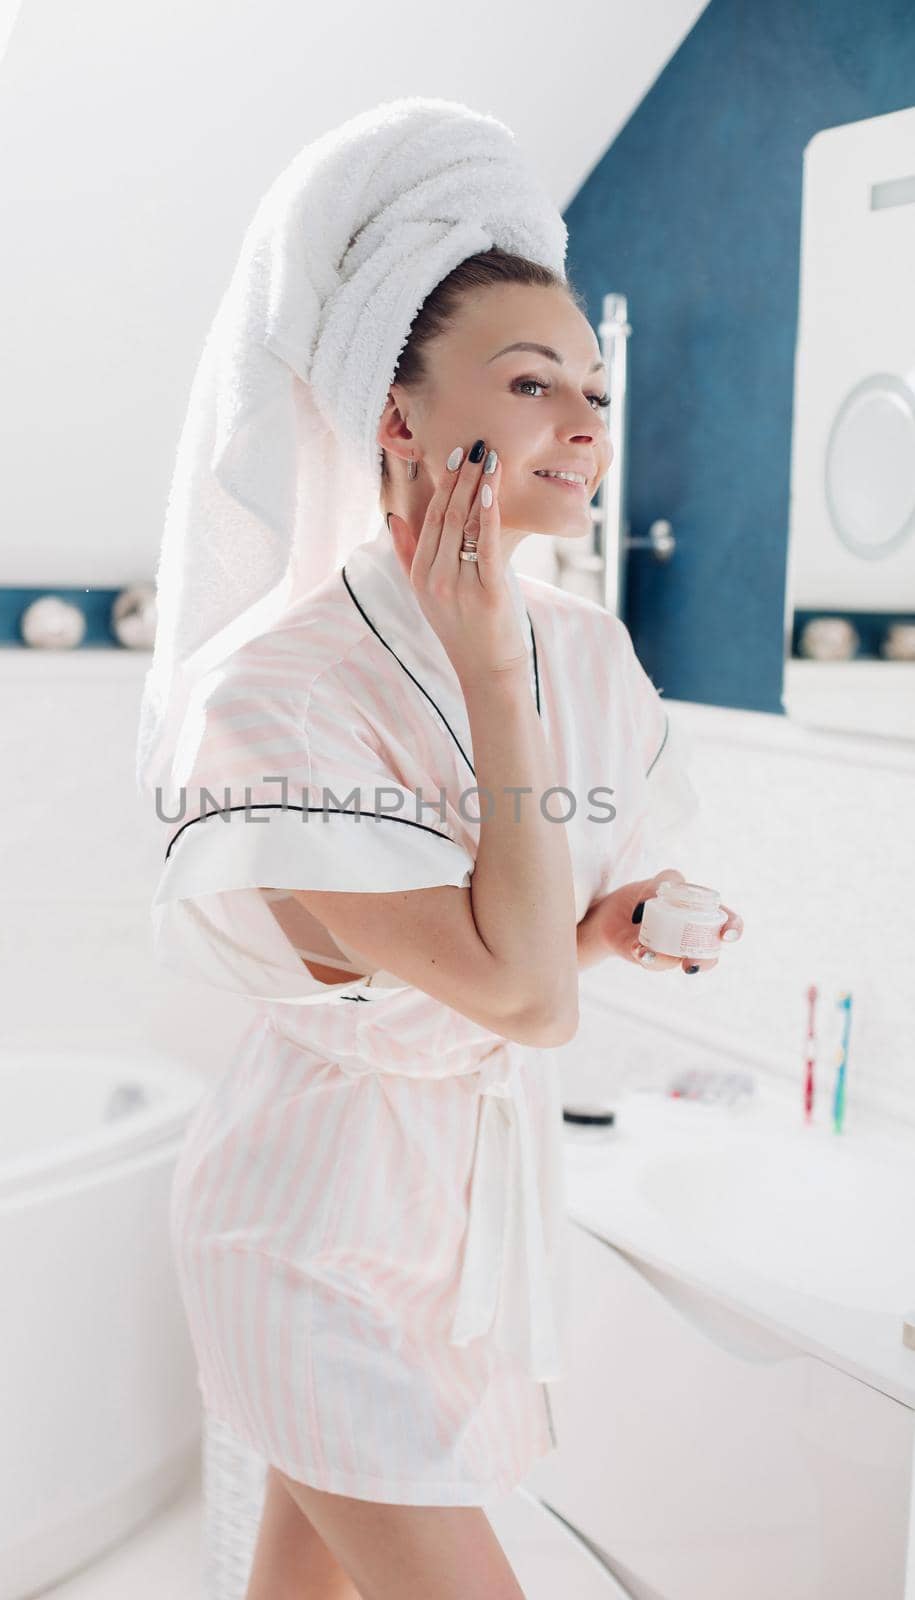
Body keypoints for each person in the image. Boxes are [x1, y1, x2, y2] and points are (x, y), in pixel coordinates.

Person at [146, 105, 743, 1600]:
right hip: (309, 1225)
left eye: (595, 392)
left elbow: (535, 942)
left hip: (454, 1222)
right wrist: (483, 669)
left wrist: (622, 918)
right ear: (394, 416)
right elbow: (523, 1001)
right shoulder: (274, 693)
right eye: (534, 383)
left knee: (309, 1578)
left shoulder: (586, 651)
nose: (588, 426)